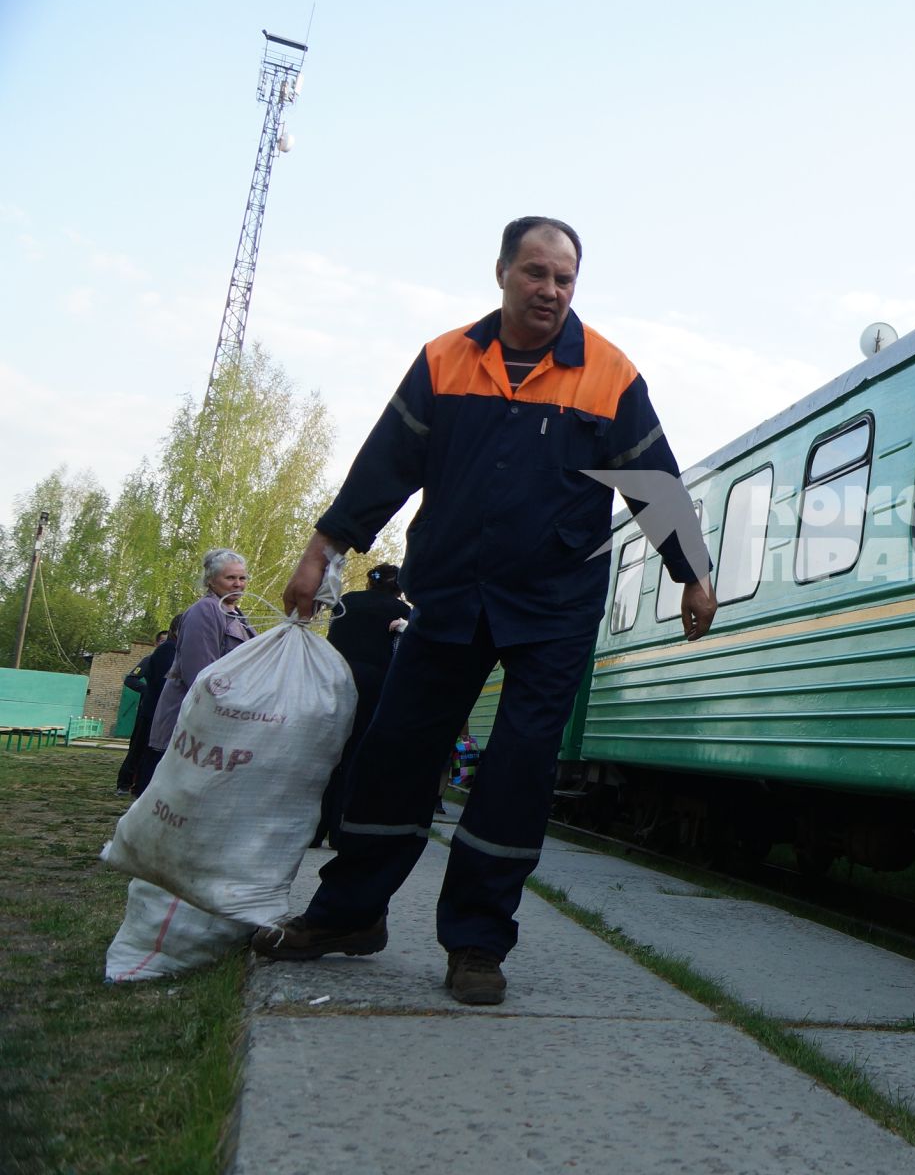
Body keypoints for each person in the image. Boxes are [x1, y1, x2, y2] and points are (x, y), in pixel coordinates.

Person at [253, 216, 716, 1007]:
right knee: (395, 750)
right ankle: (349, 915)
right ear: (502, 272)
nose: (550, 291)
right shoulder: (445, 361)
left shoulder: (608, 375)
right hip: (452, 593)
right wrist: (323, 548)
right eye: (536, 273)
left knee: (517, 769)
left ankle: (475, 941)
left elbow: (654, 483)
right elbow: (385, 465)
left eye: (565, 279)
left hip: (556, 605)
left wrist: (692, 574)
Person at [313, 564, 411, 846]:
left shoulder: (345, 602)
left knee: (330, 751)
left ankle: (315, 826)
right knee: (357, 754)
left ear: (370, 582)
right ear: (399, 587)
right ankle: (341, 828)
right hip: (375, 685)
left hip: (336, 678)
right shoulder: (402, 612)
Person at [143, 552, 256, 790]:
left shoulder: (237, 615)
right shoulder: (205, 611)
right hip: (194, 717)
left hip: (221, 717)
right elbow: (200, 673)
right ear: (211, 580)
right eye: (230, 578)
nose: (238, 584)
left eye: (242, 578)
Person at [115, 627, 173, 795]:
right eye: (162, 641)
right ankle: (124, 783)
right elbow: (131, 679)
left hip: (164, 713)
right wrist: (147, 690)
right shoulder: (149, 660)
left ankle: (142, 785)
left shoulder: (175, 660)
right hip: (148, 711)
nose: (165, 644)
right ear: (156, 643)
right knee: (138, 747)